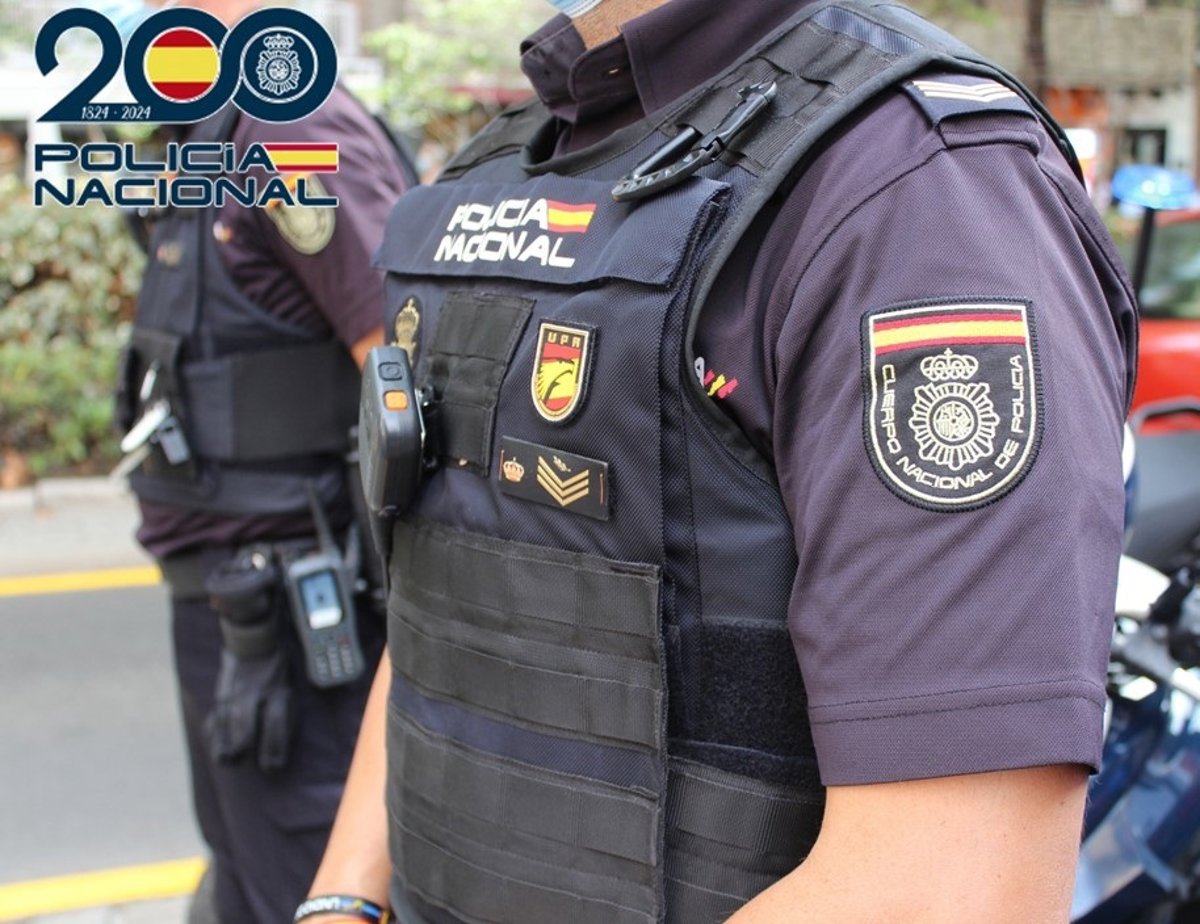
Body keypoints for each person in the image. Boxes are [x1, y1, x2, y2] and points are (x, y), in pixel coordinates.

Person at [301, 0, 1136, 921]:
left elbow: (951, 887)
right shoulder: (500, 165)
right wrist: (342, 899)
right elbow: (443, 605)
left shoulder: (915, 191)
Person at [114, 0, 416, 919]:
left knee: (309, 888)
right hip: (229, 607)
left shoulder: (288, 127)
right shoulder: (206, 133)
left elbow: (405, 366)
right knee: (244, 884)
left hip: (298, 626)